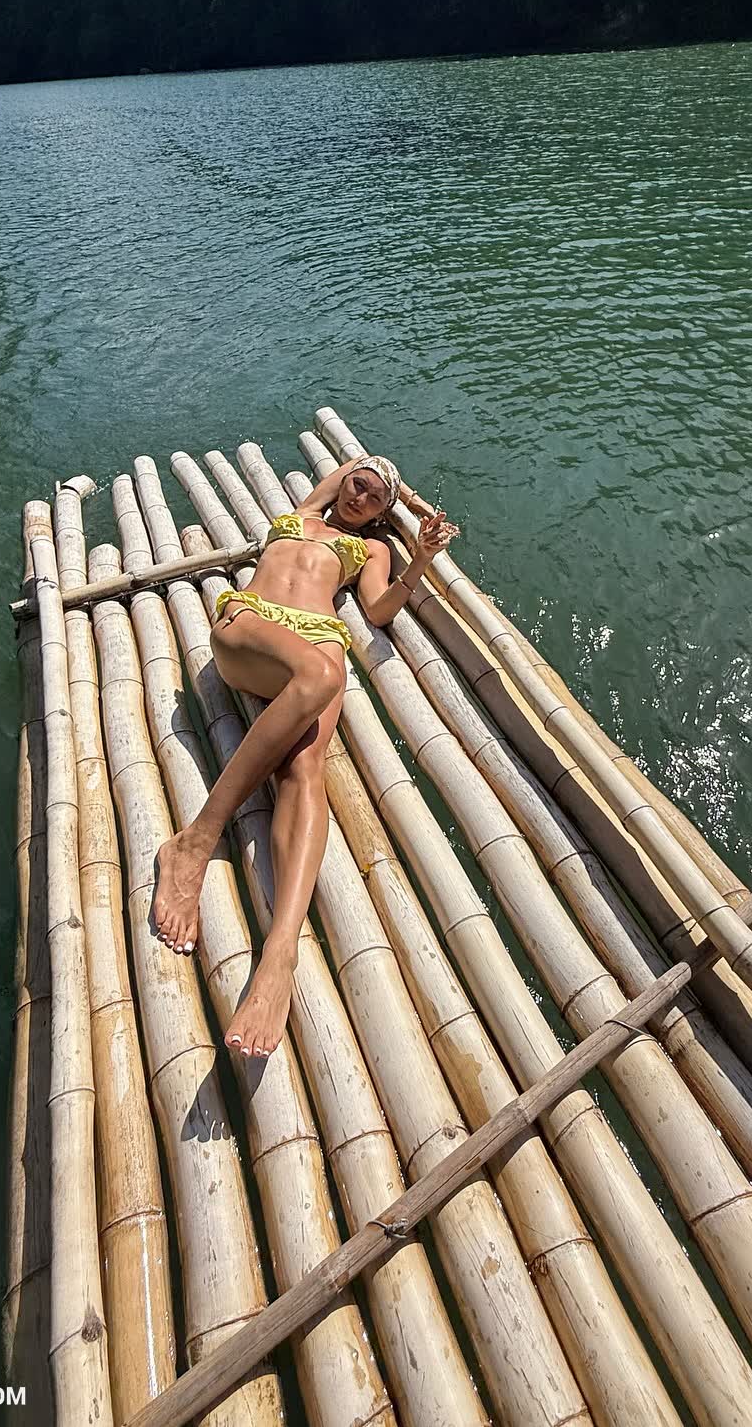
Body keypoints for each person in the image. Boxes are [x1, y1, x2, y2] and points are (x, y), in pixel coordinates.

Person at [152, 454, 457, 1059]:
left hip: (318, 643)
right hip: (252, 629)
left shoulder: (373, 549)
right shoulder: (303, 512)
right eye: (358, 485)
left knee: (305, 769)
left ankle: (280, 951)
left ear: (381, 514)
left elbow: (378, 610)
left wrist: (420, 555)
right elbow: (352, 465)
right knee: (322, 675)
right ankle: (196, 840)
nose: (360, 497)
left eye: (375, 499)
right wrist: (411, 497)